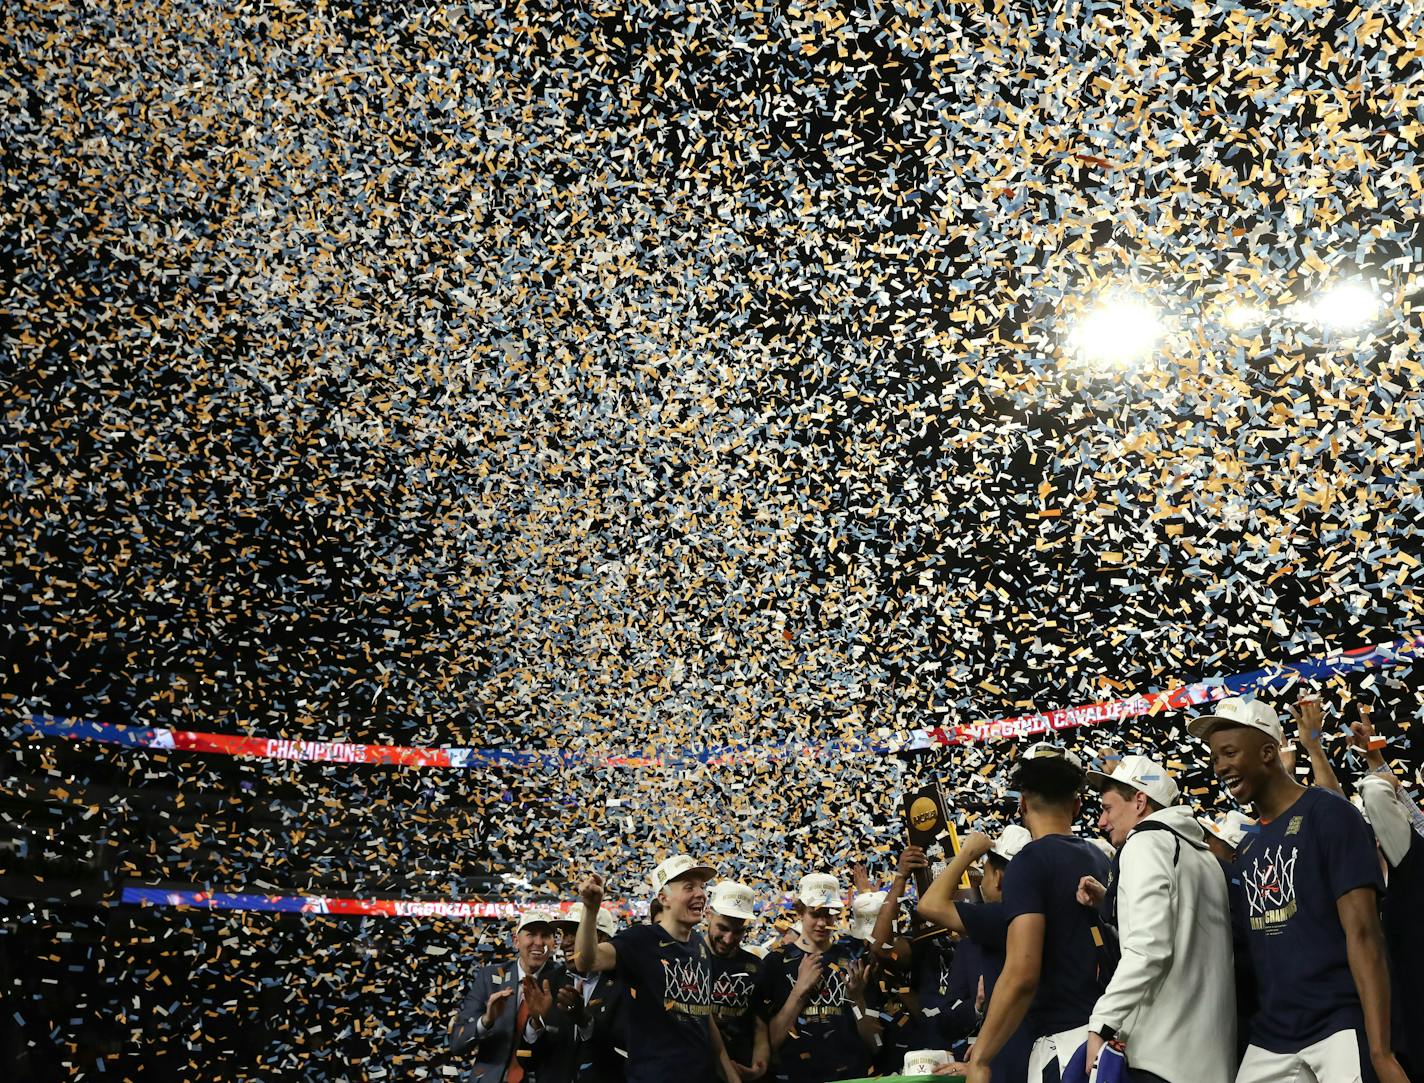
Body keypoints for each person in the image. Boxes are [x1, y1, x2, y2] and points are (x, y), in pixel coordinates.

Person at [1191, 694, 1409, 1083]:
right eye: (1214, 759)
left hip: (1339, 1022)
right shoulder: (1249, 846)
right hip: (1273, 1034)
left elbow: (1363, 934)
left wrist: (1381, 1050)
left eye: (1228, 753)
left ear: (1268, 752)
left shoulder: (1329, 814)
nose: (1220, 767)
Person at [1077, 754, 1236, 1083]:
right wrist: (1109, 901)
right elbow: (1184, 930)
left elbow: (1149, 947)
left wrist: (1103, 1022)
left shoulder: (1144, 843)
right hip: (1209, 1058)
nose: (1101, 822)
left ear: (1139, 801)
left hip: (1160, 1056)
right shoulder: (1203, 856)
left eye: (1107, 808)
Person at [963, 744, 1114, 1083]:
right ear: (1076, 805)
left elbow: (1022, 972)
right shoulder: (1099, 858)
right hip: (1103, 1036)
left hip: (1063, 1049)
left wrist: (982, 1058)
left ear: (1022, 804)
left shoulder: (1030, 860)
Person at [573, 857, 738, 1083]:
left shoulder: (700, 945)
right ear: (664, 898)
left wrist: (730, 1075)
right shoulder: (641, 940)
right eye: (689, 887)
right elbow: (586, 962)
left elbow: (703, 1016)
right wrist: (590, 910)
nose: (700, 893)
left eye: (702, 886)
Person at [915, 827, 1034, 1083]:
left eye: (985, 873)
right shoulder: (1036, 918)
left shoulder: (1001, 917)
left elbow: (928, 905)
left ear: (999, 877)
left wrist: (967, 852)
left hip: (1011, 1060)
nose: (981, 882)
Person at [1349, 705, 1424, 1078]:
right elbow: (1412, 818)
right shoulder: (1409, 858)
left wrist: (1378, 775)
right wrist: (1376, 760)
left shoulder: (1412, 862)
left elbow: (1381, 799)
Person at [761, 872, 879, 1082]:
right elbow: (770, 1042)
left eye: (829, 914)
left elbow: (875, 1043)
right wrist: (799, 991)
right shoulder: (775, 963)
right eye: (815, 914)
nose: (823, 923)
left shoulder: (854, 956)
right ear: (800, 912)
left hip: (852, 1076)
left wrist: (858, 998)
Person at [451, 907, 578, 1082]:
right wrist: (486, 1021)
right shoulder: (489, 977)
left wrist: (538, 1022)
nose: (539, 942)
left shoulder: (565, 982)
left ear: (554, 944)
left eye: (545, 935)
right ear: (515, 941)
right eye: (531, 934)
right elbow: (457, 1045)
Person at [554, 903, 628, 1082]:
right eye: (565, 935)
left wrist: (585, 1020)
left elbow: (623, 1051)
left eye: (576, 933)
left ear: (602, 940)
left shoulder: (625, 985)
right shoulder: (551, 981)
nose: (565, 942)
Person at [705, 880, 770, 1081]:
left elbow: (760, 1026)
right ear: (708, 914)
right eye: (722, 928)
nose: (728, 939)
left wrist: (759, 1067)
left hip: (740, 1068)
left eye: (738, 931)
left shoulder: (756, 967)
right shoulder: (685, 959)